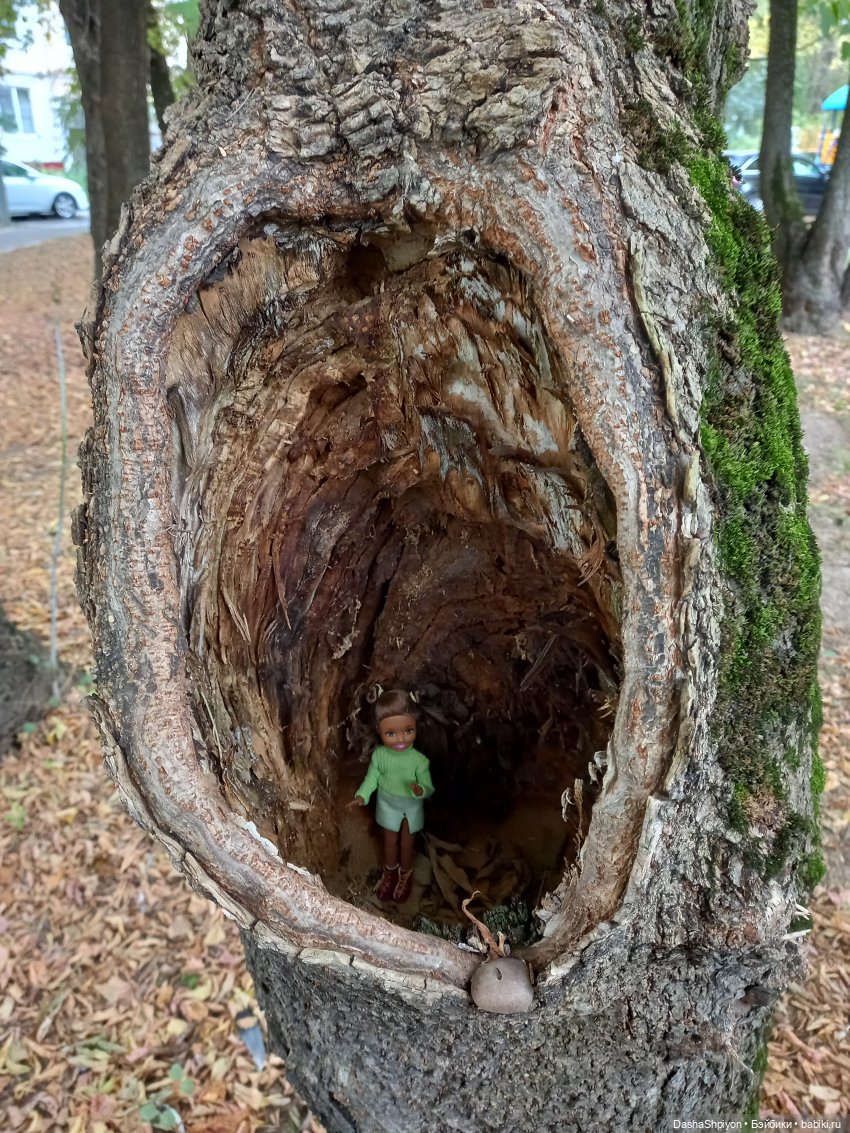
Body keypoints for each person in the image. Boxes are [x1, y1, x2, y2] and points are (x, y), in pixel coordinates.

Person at [348, 689, 434, 903]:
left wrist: (421, 790)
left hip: (410, 807)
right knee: (390, 842)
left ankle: (405, 875)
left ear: (415, 726)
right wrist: (362, 795)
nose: (400, 739)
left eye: (408, 730)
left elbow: (428, 786)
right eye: (391, 733)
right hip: (387, 805)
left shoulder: (419, 761)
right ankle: (390, 874)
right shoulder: (379, 756)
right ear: (379, 730)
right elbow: (372, 778)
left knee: (406, 844)